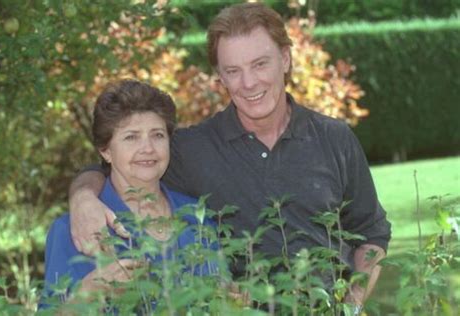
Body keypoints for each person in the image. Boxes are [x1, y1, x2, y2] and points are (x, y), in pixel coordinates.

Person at [67, 2, 391, 310]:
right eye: (233, 70)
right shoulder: (192, 149)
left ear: (286, 59)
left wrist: (350, 305)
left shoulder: (334, 138)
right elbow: (111, 164)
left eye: (260, 64)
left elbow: (372, 233)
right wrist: (83, 198)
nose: (249, 83)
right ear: (220, 77)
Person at [42, 80, 218, 308]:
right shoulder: (73, 230)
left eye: (157, 135)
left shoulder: (198, 216)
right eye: (131, 137)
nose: (148, 148)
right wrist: (84, 297)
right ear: (105, 151)